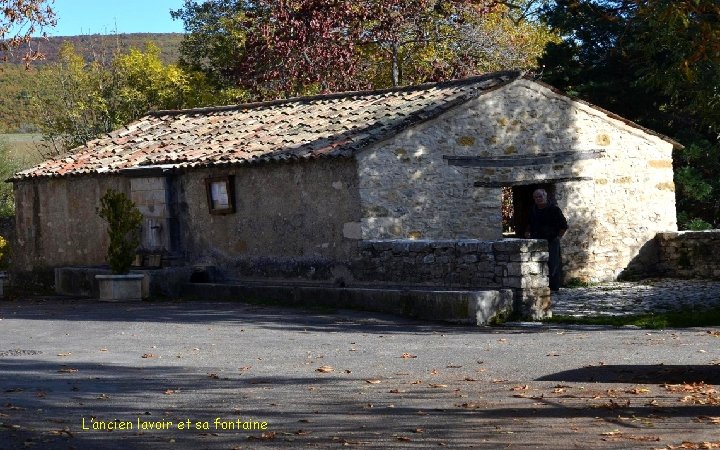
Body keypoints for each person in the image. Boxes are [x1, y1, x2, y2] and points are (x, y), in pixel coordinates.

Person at [524, 189, 568, 292]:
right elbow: (529, 223)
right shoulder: (533, 210)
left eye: (540, 196)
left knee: (553, 264)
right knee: (536, 264)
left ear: (545, 196)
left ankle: (553, 287)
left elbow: (563, 225)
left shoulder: (554, 210)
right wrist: (527, 232)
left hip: (551, 240)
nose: (538, 199)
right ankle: (541, 287)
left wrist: (558, 237)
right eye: (536, 197)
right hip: (536, 241)